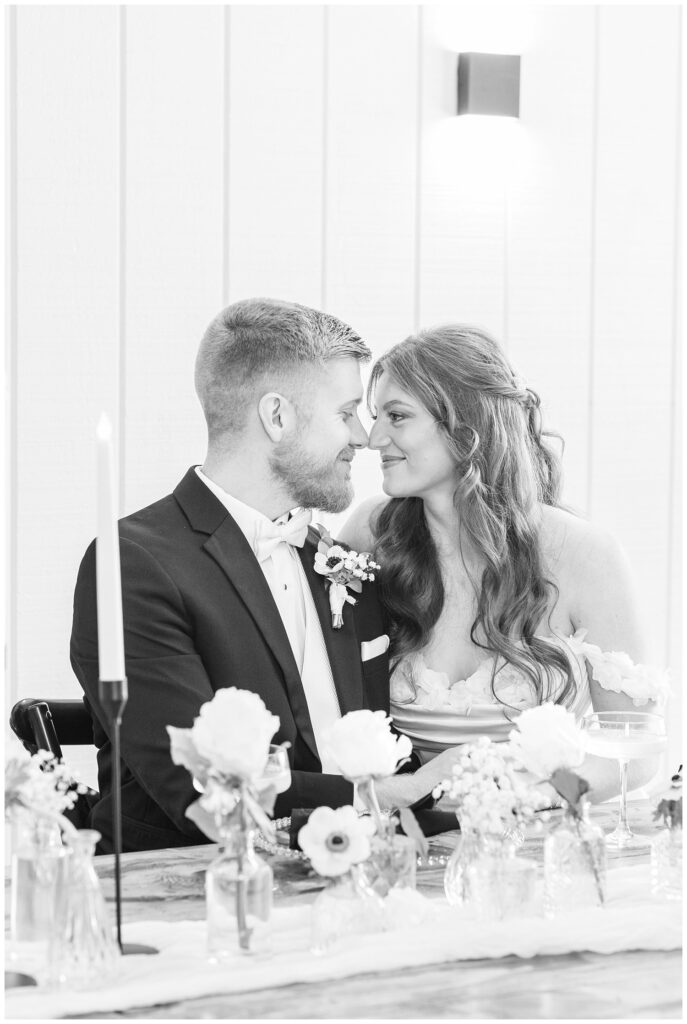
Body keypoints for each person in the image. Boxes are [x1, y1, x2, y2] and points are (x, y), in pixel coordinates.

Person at [70, 299, 459, 852]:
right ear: (277, 416)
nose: (363, 437)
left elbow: (372, 741)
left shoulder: (339, 558)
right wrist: (389, 795)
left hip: (355, 871)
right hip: (189, 890)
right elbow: (203, 792)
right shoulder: (133, 565)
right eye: (346, 412)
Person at [341, 324, 667, 802]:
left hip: (537, 843)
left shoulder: (584, 555)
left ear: (465, 426)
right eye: (376, 417)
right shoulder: (369, 534)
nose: (373, 439)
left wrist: (530, 792)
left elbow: (635, 757)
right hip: (405, 839)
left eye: (397, 416)